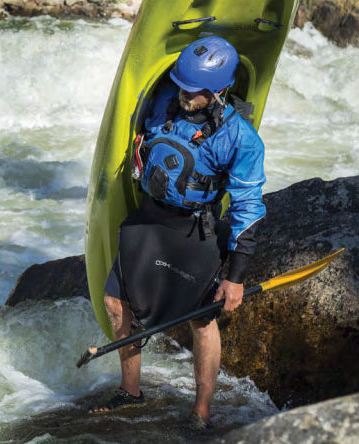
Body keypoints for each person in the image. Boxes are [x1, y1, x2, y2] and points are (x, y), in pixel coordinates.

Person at [89, 36, 266, 431]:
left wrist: (235, 278)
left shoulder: (241, 139)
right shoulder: (164, 96)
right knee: (116, 302)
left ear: (219, 91)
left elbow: (248, 208)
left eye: (195, 92)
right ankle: (130, 392)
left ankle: (201, 411)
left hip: (194, 228)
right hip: (150, 217)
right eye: (181, 86)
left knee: (201, 320)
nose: (185, 95)